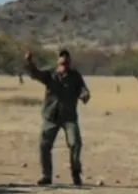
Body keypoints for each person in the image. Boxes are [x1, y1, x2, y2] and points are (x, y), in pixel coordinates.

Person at [25, 49, 91, 186]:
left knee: (75, 143)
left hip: (69, 117)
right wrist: (30, 62)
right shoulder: (50, 75)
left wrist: (85, 95)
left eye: (66, 62)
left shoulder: (75, 76)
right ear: (57, 62)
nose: (64, 65)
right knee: (44, 145)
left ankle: (75, 173)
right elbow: (35, 74)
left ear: (70, 62)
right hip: (51, 116)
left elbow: (83, 89)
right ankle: (46, 176)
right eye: (62, 62)